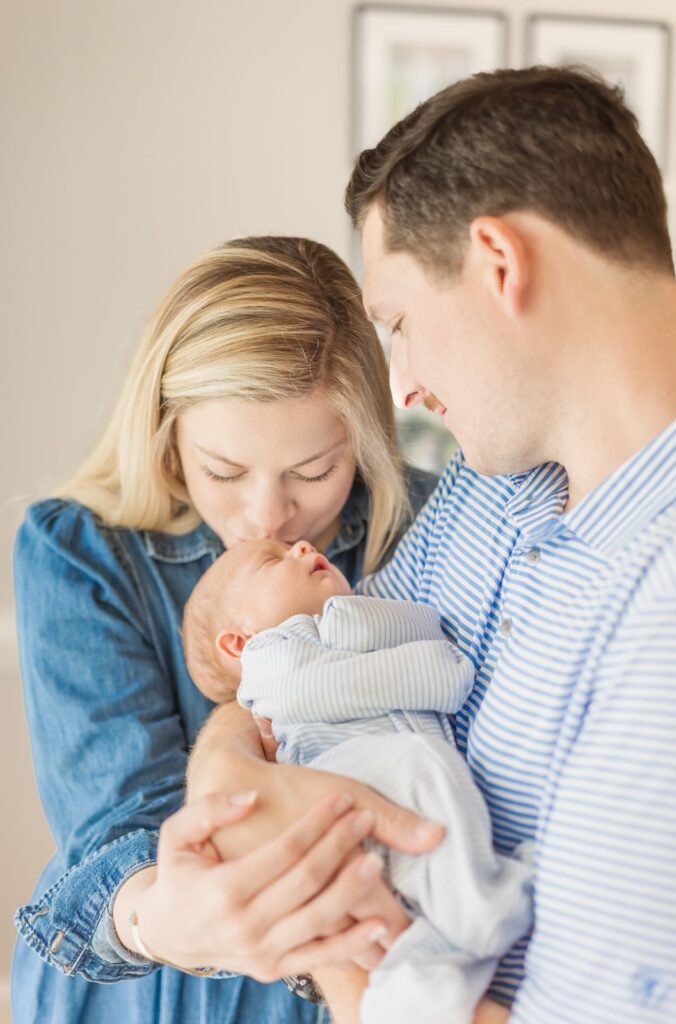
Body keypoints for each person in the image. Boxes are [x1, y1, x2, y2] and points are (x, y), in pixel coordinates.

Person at [186, 67, 676, 1024]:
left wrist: (314, 907)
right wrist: (227, 769)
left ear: (500, 260)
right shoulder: (487, 490)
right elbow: (301, 661)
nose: (402, 386)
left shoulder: (664, 604)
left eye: (399, 324)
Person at [11, 236, 439, 1024]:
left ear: (365, 440)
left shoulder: (431, 525)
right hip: (145, 993)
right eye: (225, 470)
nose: (269, 517)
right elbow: (114, 825)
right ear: (167, 431)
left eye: (315, 472)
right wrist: (168, 915)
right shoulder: (80, 552)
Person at [181, 535, 534, 1023]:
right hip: (351, 775)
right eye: (271, 560)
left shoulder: (349, 622)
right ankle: (482, 910)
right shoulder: (272, 658)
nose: (301, 547)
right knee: (419, 772)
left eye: (292, 546)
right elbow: (350, 681)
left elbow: (420, 623)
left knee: (415, 902)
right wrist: (436, 668)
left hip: (386, 787)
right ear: (238, 642)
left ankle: (414, 987)